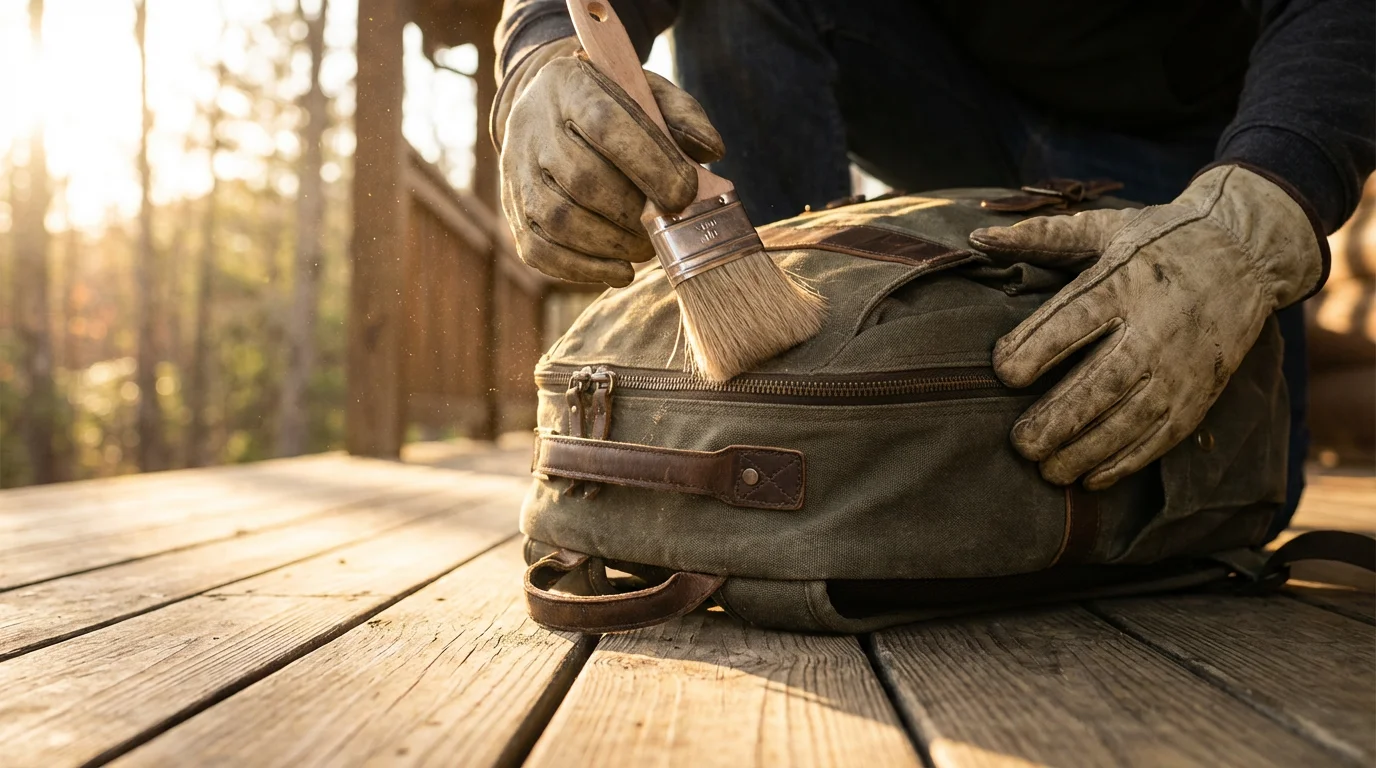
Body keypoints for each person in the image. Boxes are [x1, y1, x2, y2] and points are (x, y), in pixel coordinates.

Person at [489, 0, 1375, 536]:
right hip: (955, 104)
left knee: (1240, 487)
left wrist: (1255, 212)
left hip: (1188, 157)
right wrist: (537, 54)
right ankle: (785, 406)